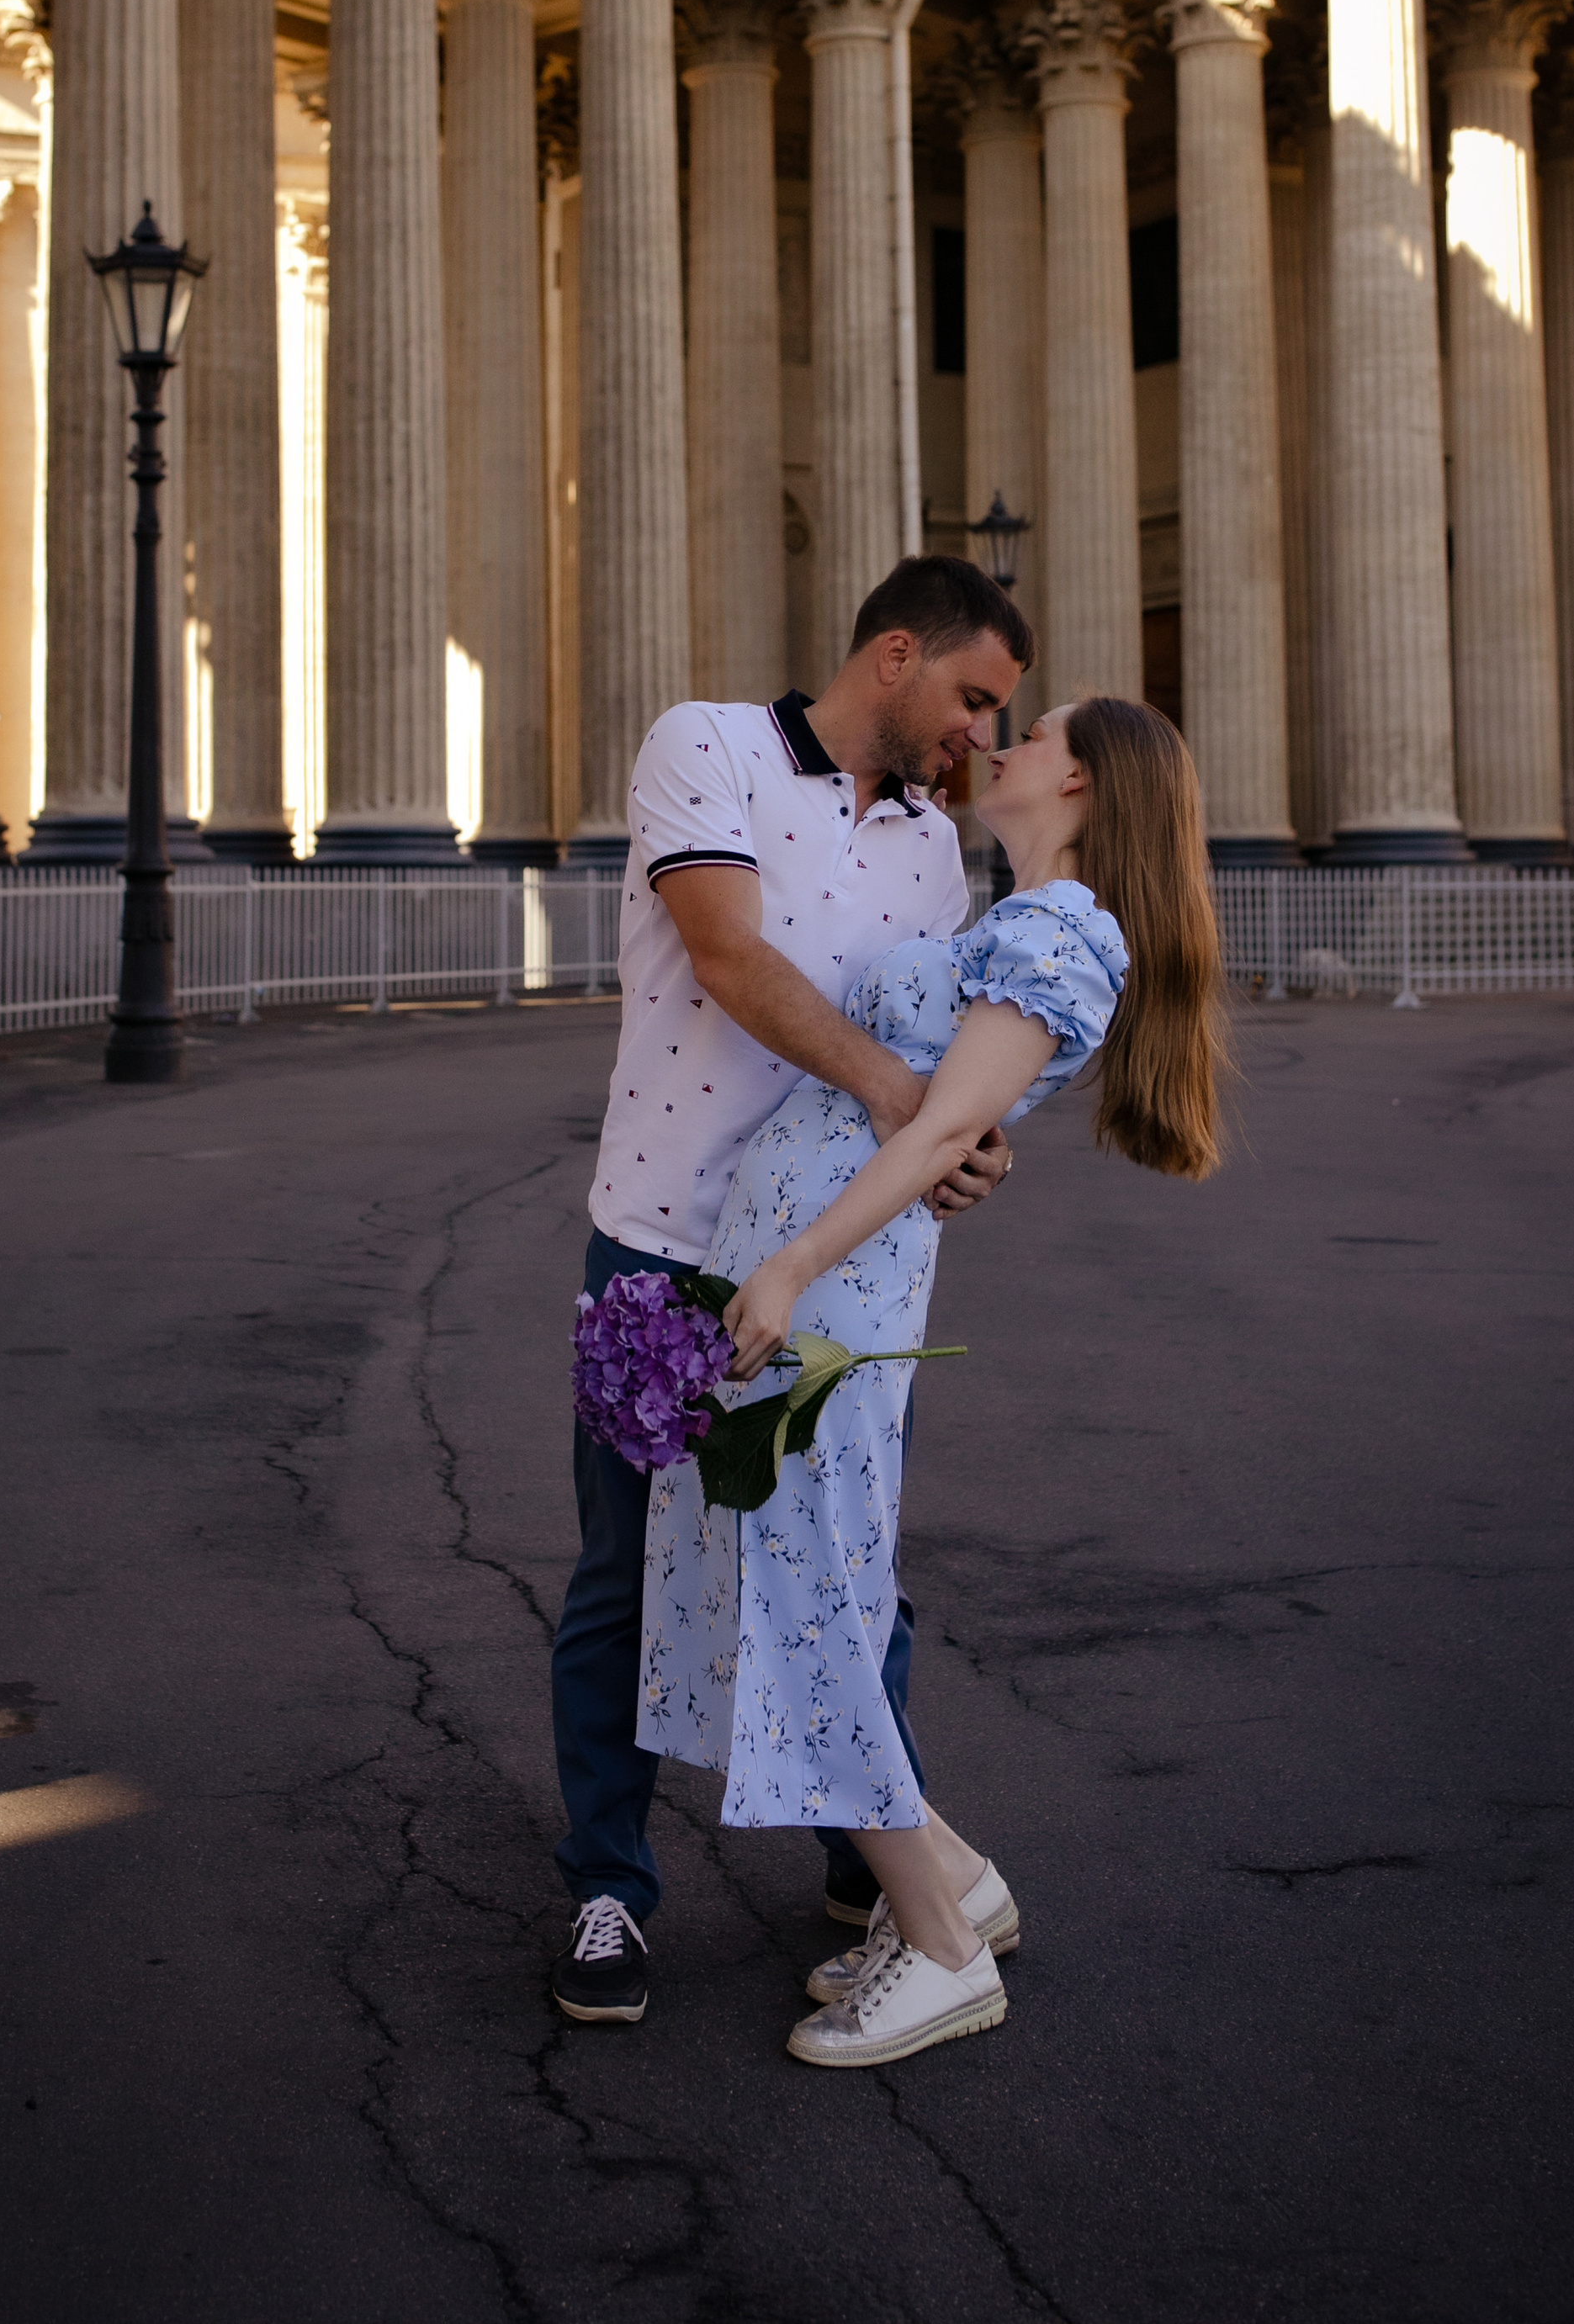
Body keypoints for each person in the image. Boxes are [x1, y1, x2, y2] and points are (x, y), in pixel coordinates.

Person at [643, 695, 1226, 2069]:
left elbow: (943, 1131)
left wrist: (786, 1270)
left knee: (815, 1597)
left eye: (1027, 734)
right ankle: (953, 1884)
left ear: (1078, 779)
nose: (997, 746)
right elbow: (938, 1115)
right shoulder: (1013, 921)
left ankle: (950, 1956)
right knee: (799, 1582)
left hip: (830, 1295)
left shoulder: (1063, 933)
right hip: (806, 1281)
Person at [551, 557, 1036, 2025]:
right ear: (894, 654)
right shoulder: (706, 744)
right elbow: (725, 952)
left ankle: (870, 1859)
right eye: (970, 698)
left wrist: (960, 1144)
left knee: (849, 1575)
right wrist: (904, 1096)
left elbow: (941, 1056)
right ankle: (607, 1890)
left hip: (837, 1259)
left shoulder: (935, 852)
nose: (979, 736)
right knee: (627, 1575)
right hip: (666, 1235)